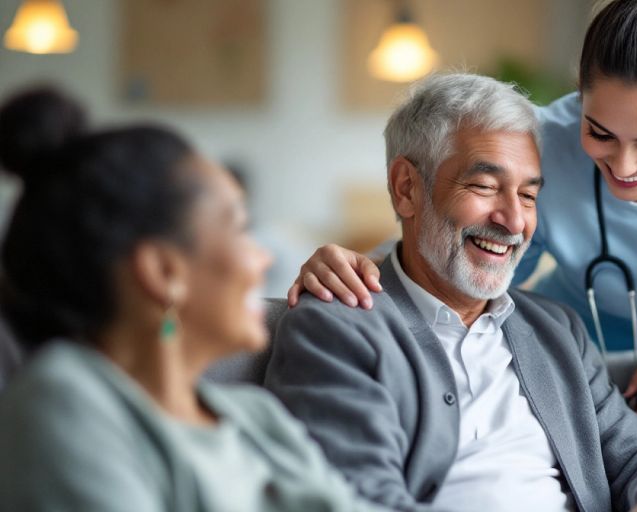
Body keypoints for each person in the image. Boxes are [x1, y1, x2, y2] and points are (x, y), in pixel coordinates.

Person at [284, 0, 637, 429]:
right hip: (577, 343)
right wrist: (356, 274)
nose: (623, 167)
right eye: (599, 132)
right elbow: (468, 264)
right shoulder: (542, 143)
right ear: (580, 93)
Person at [263, 73, 637, 512]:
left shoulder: (556, 330)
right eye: (484, 186)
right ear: (407, 189)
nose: (515, 222)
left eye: (527, 195)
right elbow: (359, 498)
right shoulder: (336, 326)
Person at [0, 87, 381, 511]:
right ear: (163, 272)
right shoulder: (64, 404)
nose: (263, 257)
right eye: (239, 228)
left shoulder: (257, 419)